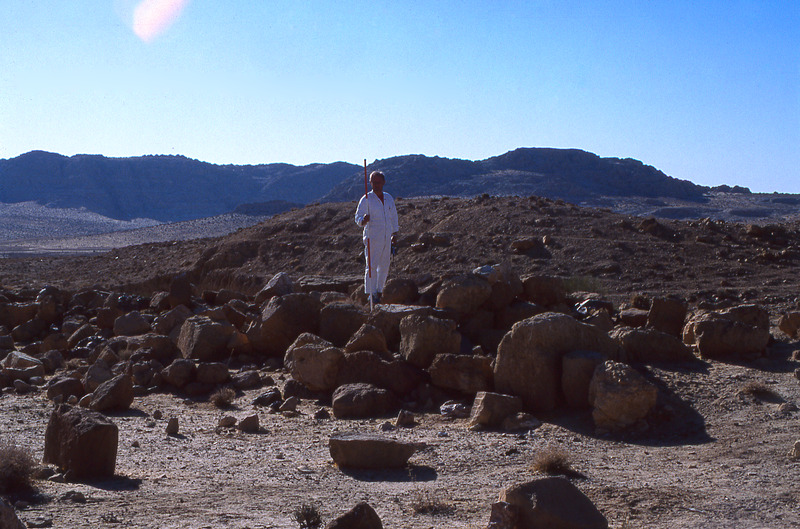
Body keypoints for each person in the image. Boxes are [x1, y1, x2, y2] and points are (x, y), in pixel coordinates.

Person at [354, 170, 399, 304]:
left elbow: (394, 217)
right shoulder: (366, 199)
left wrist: (395, 233)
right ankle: (371, 294)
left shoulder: (389, 198)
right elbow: (357, 217)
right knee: (371, 266)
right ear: (370, 183)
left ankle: (379, 291)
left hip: (387, 237)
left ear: (383, 182)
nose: (376, 185)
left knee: (384, 265)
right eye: (374, 182)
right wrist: (363, 220)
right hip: (372, 237)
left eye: (378, 182)